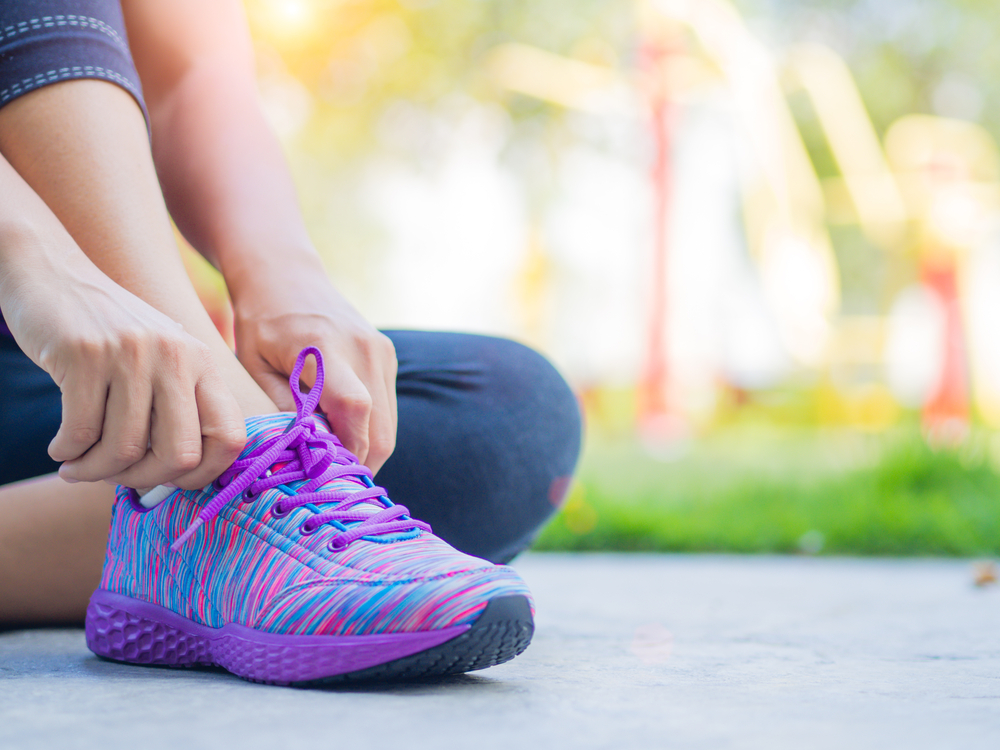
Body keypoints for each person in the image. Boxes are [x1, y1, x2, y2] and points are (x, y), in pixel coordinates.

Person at [0, 0, 581, 684]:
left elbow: (191, 76)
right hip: (35, 311)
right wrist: (29, 258)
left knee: (502, 414)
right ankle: (219, 493)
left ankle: (194, 507)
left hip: (57, 388)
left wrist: (284, 280)